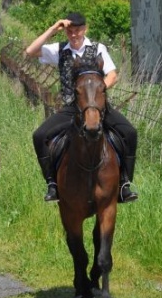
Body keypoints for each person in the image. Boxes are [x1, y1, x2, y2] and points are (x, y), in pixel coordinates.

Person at [25, 12, 138, 204]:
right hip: (71, 107)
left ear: (84, 29)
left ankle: (124, 183)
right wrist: (54, 28)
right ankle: (52, 183)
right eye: (70, 31)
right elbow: (30, 51)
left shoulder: (98, 48)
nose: (74, 35)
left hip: (98, 106)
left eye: (77, 30)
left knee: (130, 132)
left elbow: (112, 75)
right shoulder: (60, 50)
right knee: (39, 136)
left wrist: (96, 93)